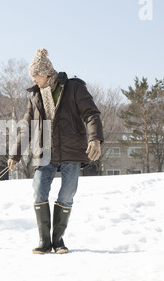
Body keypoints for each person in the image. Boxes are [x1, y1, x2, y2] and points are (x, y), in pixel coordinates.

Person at [8, 48, 104, 254]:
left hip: (71, 150)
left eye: (35, 74)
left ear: (46, 74)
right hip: (45, 153)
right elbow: (26, 127)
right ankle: (44, 242)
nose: (32, 79)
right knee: (38, 190)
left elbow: (91, 113)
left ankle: (58, 240)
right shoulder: (35, 98)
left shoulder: (73, 88)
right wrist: (15, 154)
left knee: (67, 194)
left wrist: (95, 138)